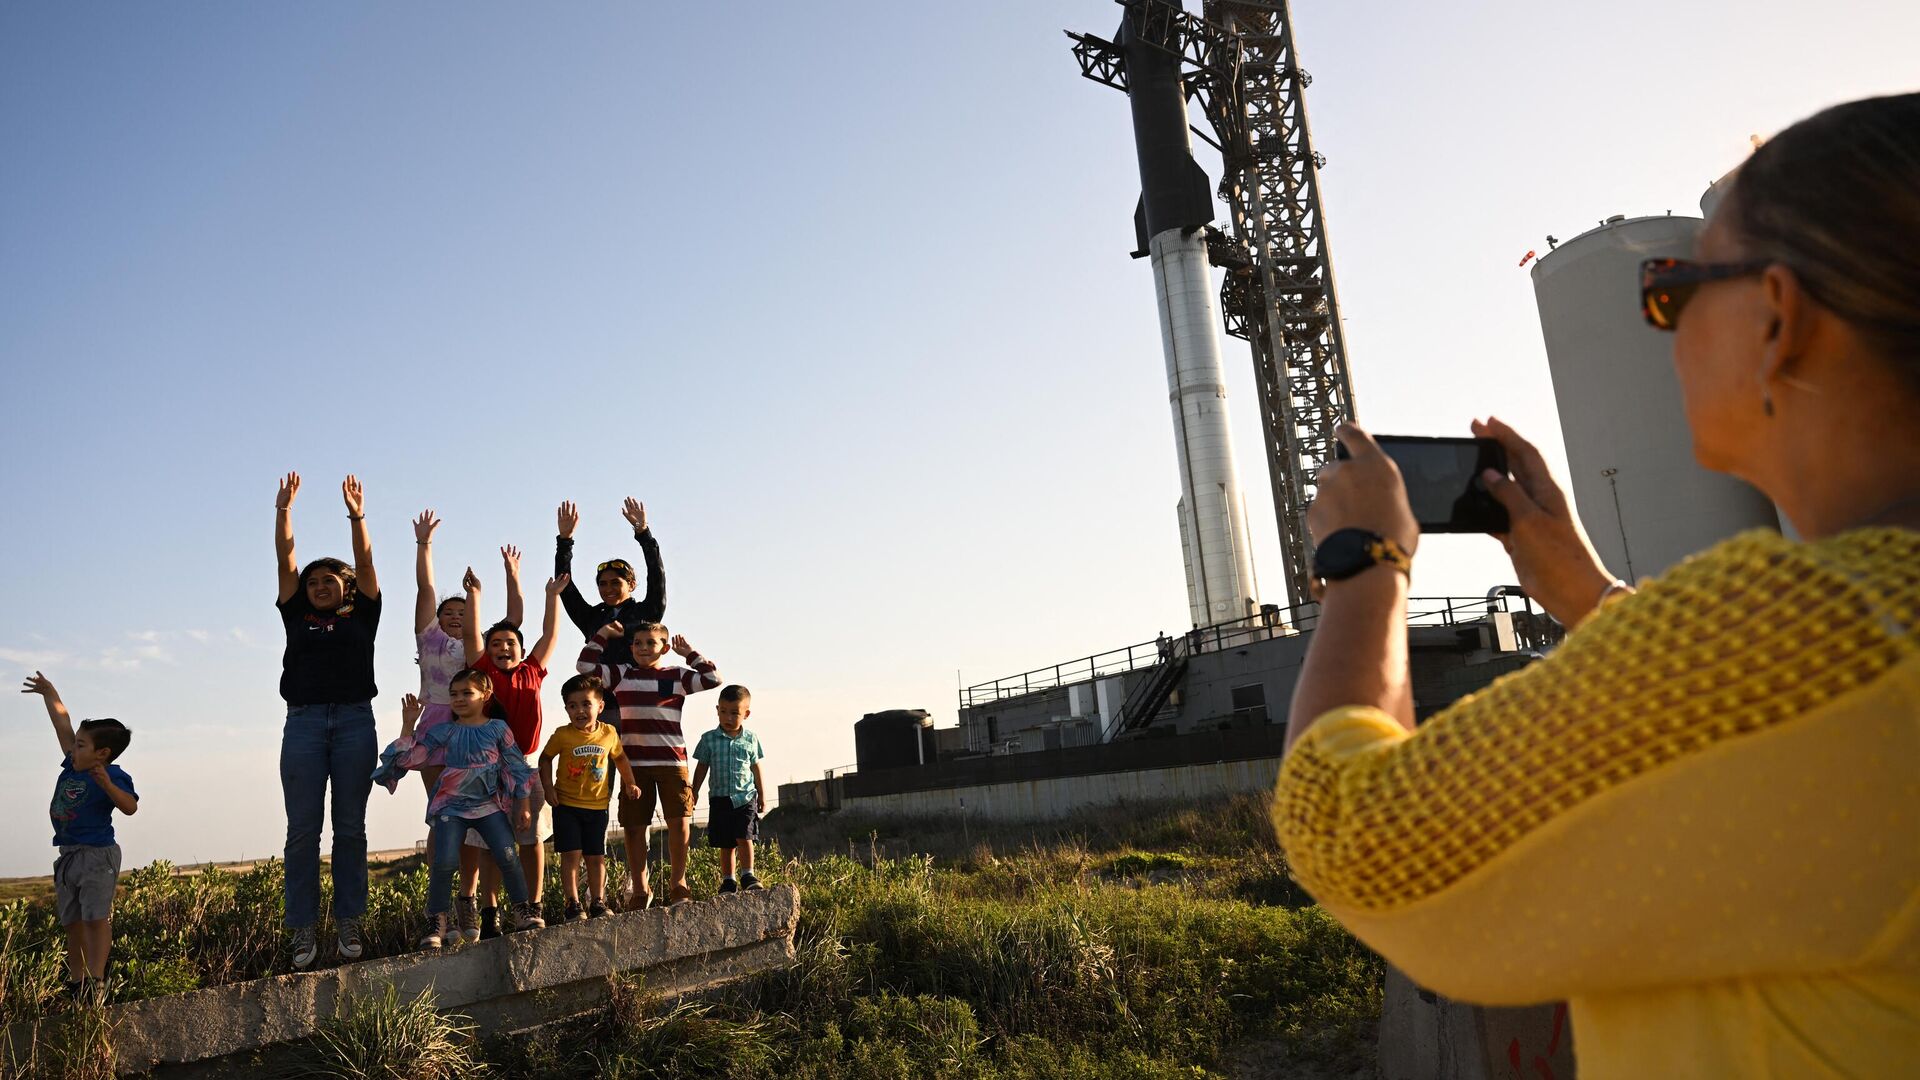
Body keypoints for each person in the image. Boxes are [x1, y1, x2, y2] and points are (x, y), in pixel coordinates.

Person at [1272, 93, 1920, 1077]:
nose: (1660, 324)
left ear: (1778, 319)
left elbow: (1351, 832)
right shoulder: (1853, 633)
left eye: (1673, 287)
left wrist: (1366, 562)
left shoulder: (1808, 630)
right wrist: (1591, 597)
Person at [273, 472, 380, 970]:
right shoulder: (295, 614)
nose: (318, 587)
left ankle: (348, 919)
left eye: (328, 581)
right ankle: (301, 928)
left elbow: (365, 562)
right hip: (305, 725)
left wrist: (357, 516)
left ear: (347, 588)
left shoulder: (363, 614)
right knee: (301, 832)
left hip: (357, 722)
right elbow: (286, 561)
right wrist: (284, 512)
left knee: (351, 829)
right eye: (312, 582)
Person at [371, 680, 543, 948]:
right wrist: (408, 724)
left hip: (488, 805)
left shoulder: (498, 729)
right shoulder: (445, 732)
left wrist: (522, 804)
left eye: (466, 693)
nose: (459, 698)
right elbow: (408, 758)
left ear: (485, 695)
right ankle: (437, 922)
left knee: (508, 854)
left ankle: (522, 911)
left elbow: (516, 766)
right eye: (454, 694)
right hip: (451, 806)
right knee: (445, 861)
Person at [411, 510, 522, 900]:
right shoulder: (429, 640)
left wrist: (511, 575)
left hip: (475, 731)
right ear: (436, 619)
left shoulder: (478, 648)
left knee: (477, 818)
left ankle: (468, 899)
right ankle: (440, 899)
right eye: (448, 613)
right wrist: (424, 544)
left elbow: (513, 621)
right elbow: (426, 589)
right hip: (437, 728)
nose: (455, 617)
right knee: (445, 816)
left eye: (462, 613)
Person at [578, 620, 721, 908]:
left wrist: (689, 653)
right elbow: (584, 666)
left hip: (671, 761)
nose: (644, 648)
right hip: (634, 765)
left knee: (679, 822)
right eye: (638, 643)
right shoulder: (621, 675)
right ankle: (640, 889)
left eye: (651, 643)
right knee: (633, 826)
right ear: (631, 648)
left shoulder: (677, 676)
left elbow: (713, 678)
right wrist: (603, 634)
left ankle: (679, 884)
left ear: (664, 647)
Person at [458, 568, 564, 939]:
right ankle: (490, 913)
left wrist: (552, 597)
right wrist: (474, 595)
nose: (504, 648)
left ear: (521, 650)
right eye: (496, 643)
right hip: (485, 768)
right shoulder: (482, 672)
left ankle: (530, 908)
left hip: (527, 766)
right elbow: (472, 634)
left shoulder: (533, 670)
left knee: (531, 839)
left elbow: (550, 634)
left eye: (511, 643)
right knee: (488, 843)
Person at [20, 673, 137, 1005]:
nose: (74, 748)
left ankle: (95, 981)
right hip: (68, 855)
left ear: (102, 753)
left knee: (95, 918)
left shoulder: (112, 775)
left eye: (82, 745)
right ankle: (77, 982)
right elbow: (63, 724)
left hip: (97, 855)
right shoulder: (74, 766)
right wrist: (49, 692)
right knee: (72, 922)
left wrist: (107, 786)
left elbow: (130, 807)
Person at [539, 674, 642, 920]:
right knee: (571, 855)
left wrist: (630, 783)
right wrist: (547, 788)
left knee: (596, 857)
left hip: (597, 806)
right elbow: (545, 758)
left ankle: (598, 901)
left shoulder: (608, 733)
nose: (580, 711)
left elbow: (620, 758)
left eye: (586, 704)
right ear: (566, 709)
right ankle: (572, 903)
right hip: (566, 805)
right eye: (572, 706)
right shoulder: (562, 735)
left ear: (600, 706)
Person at [553, 497, 665, 666]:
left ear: (631, 585)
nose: (608, 589)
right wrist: (565, 541)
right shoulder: (591, 618)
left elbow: (656, 575)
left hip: (639, 689)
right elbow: (564, 585)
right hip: (600, 690)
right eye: (603, 584)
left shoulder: (647, 612)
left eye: (615, 582)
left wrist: (643, 533)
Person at [689, 685, 767, 894]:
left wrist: (762, 794)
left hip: (745, 797)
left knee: (745, 837)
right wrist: (693, 791)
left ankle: (748, 874)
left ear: (746, 714)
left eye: (734, 713)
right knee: (726, 843)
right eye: (723, 711)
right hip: (720, 797)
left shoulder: (751, 739)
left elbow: (756, 767)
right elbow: (702, 766)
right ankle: (728, 880)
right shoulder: (709, 739)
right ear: (717, 709)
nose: (728, 717)